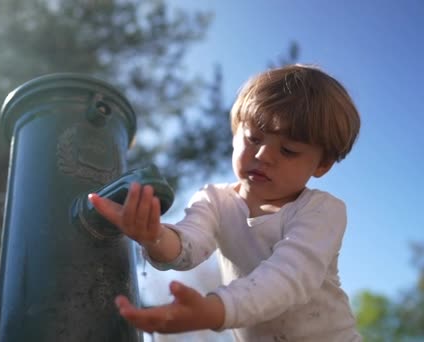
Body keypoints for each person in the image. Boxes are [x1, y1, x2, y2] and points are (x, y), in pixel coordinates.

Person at [89, 64, 362, 341]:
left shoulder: (321, 211)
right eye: (253, 138)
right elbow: (189, 244)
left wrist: (213, 310)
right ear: (235, 134)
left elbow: (288, 278)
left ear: (322, 165)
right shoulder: (216, 200)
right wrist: (154, 236)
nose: (264, 155)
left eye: (289, 150)